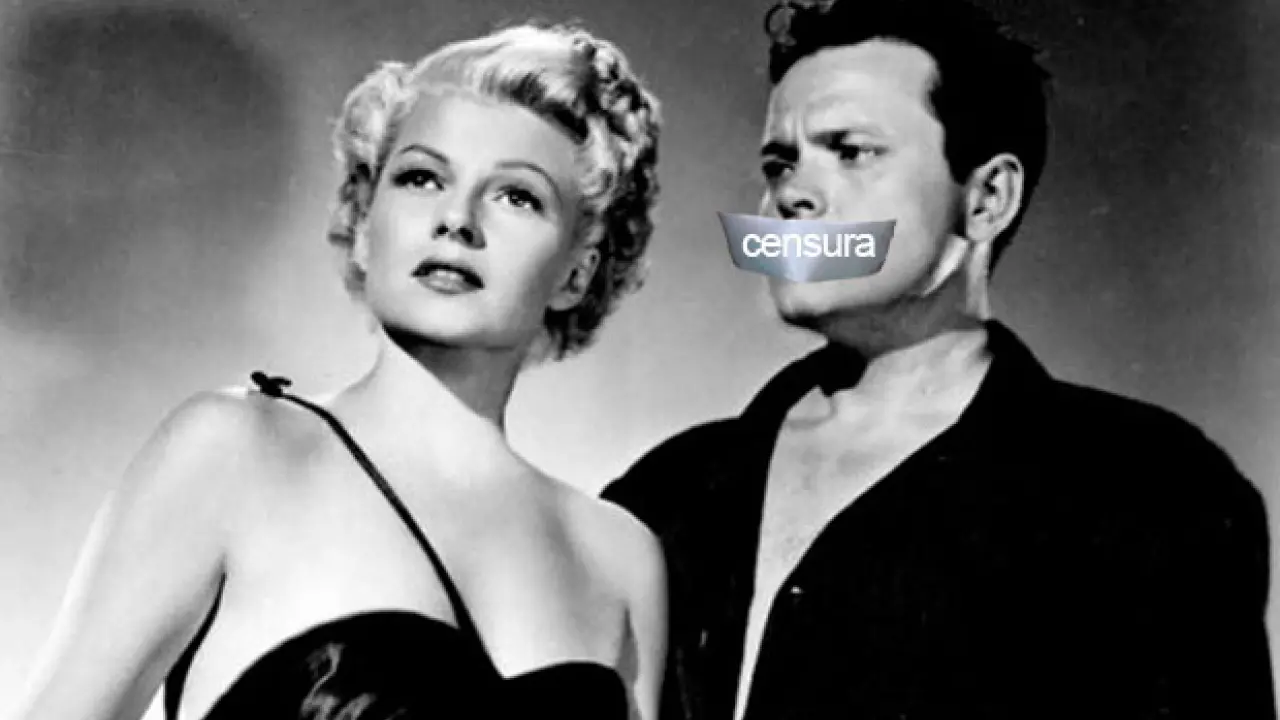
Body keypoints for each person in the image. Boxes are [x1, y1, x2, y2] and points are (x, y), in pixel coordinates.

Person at [602, 1, 1275, 718]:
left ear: (987, 199)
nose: (790, 195)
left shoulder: (1157, 491)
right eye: (780, 163)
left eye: (851, 151)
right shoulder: (664, 492)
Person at [15, 21, 666, 720]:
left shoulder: (621, 558)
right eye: (421, 178)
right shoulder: (235, 453)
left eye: (517, 196)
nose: (456, 218)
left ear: (577, 272)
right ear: (363, 223)